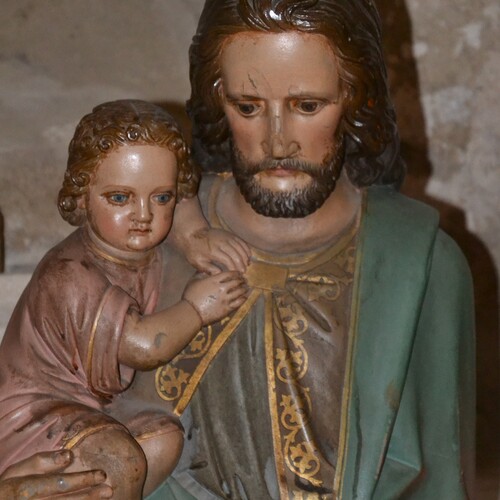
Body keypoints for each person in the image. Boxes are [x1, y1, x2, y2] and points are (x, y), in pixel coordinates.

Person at [0, 1, 475, 498]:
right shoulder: (139, 242)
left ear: (356, 99)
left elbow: (443, 479)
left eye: (307, 106)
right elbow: (40, 411)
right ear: (217, 101)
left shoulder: (420, 269)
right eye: (248, 107)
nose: (278, 143)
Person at [0, 99, 249, 498]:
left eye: (160, 198)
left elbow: (184, 192)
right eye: (119, 198)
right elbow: (142, 345)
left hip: (90, 408)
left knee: (162, 439)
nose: (143, 215)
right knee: (120, 459)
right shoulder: (71, 274)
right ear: (81, 197)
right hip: (31, 414)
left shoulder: (133, 242)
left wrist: (196, 236)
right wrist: (196, 309)